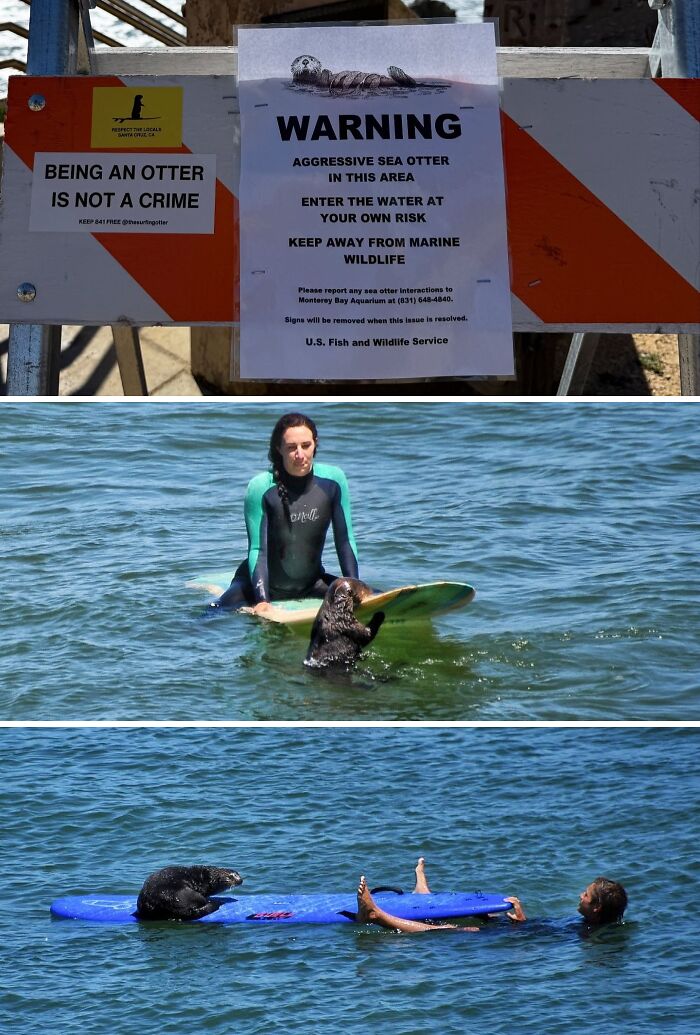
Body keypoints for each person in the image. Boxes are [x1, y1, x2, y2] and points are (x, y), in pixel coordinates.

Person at [212, 412, 360, 613]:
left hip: (312, 584)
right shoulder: (261, 487)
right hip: (256, 586)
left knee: (375, 597)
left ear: (315, 444)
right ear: (278, 448)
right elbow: (258, 549)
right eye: (291, 448)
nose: (300, 454)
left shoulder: (333, 481)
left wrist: (354, 587)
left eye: (306, 445)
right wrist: (262, 600)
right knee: (213, 613)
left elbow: (344, 540)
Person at [354, 858, 626, 934]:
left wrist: (520, 928)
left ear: (597, 907)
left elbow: (540, 941)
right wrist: (521, 921)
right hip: (515, 931)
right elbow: (542, 931)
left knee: (447, 930)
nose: (580, 895)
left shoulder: (585, 935)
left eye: (586, 895)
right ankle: (422, 894)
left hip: (509, 939)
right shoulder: (585, 926)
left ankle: (377, 915)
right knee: (476, 916)